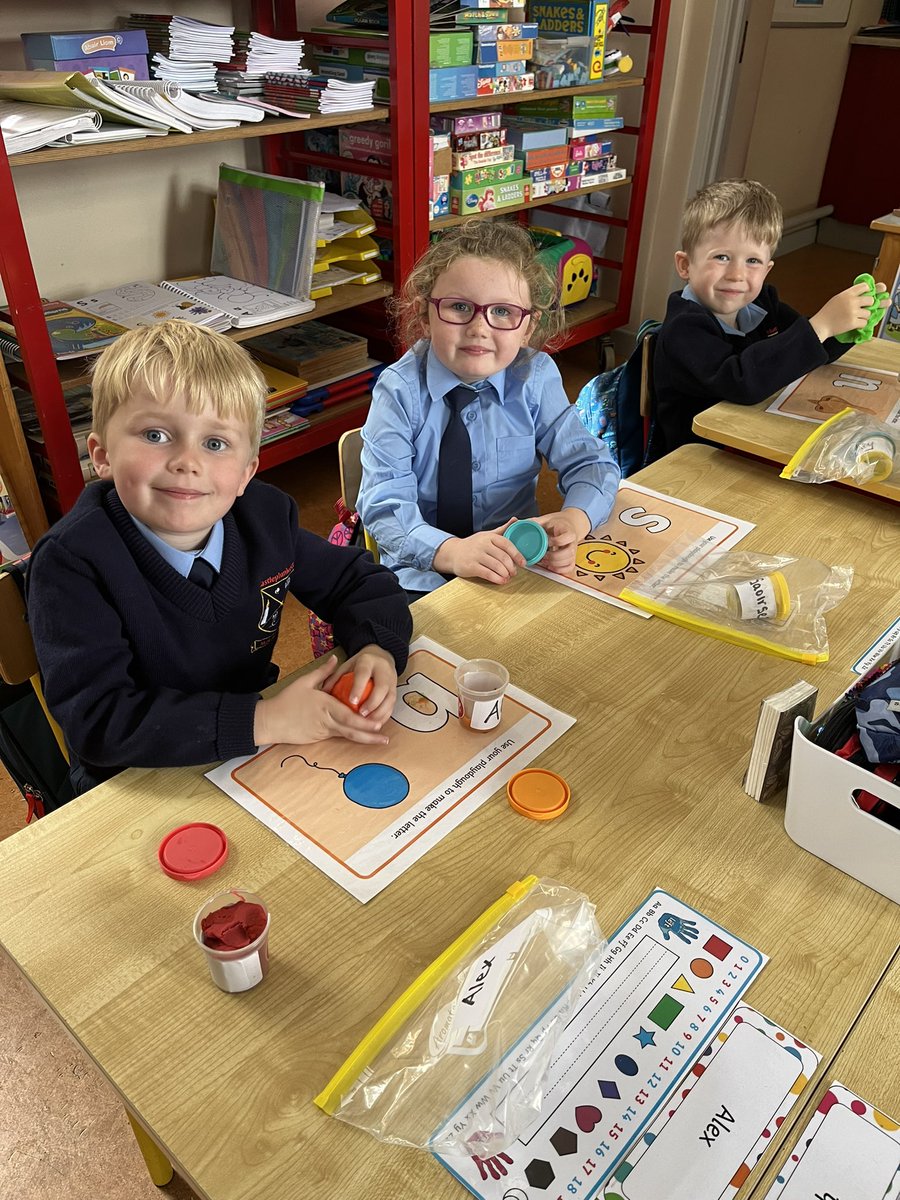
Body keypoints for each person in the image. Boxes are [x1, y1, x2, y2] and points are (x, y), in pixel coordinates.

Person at [27, 321, 412, 796]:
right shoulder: (72, 563)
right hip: (137, 778)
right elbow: (100, 722)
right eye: (154, 434)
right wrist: (264, 719)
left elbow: (358, 580)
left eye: (215, 443)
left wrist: (377, 647)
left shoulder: (263, 516)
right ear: (102, 456)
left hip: (254, 743)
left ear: (247, 471)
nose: (188, 461)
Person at [357, 220, 620, 596]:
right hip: (421, 574)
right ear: (425, 315)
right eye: (460, 307)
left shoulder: (535, 376)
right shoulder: (398, 391)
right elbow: (384, 505)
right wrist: (451, 552)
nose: (480, 328)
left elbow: (591, 464)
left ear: (528, 328)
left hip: (517, 566)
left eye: (502, 312)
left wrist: (575, 519)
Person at [652, 178, 889, 456]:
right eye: (722, 257)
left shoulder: (764, 303)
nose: (736, 274)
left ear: (767, 269)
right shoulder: (684, 327)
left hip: (751, 432)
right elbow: (740, 381)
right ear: (685, 265)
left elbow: (800, 352)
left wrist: (841, 330)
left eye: (752, 261)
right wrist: (821, 325)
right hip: (700, 455)